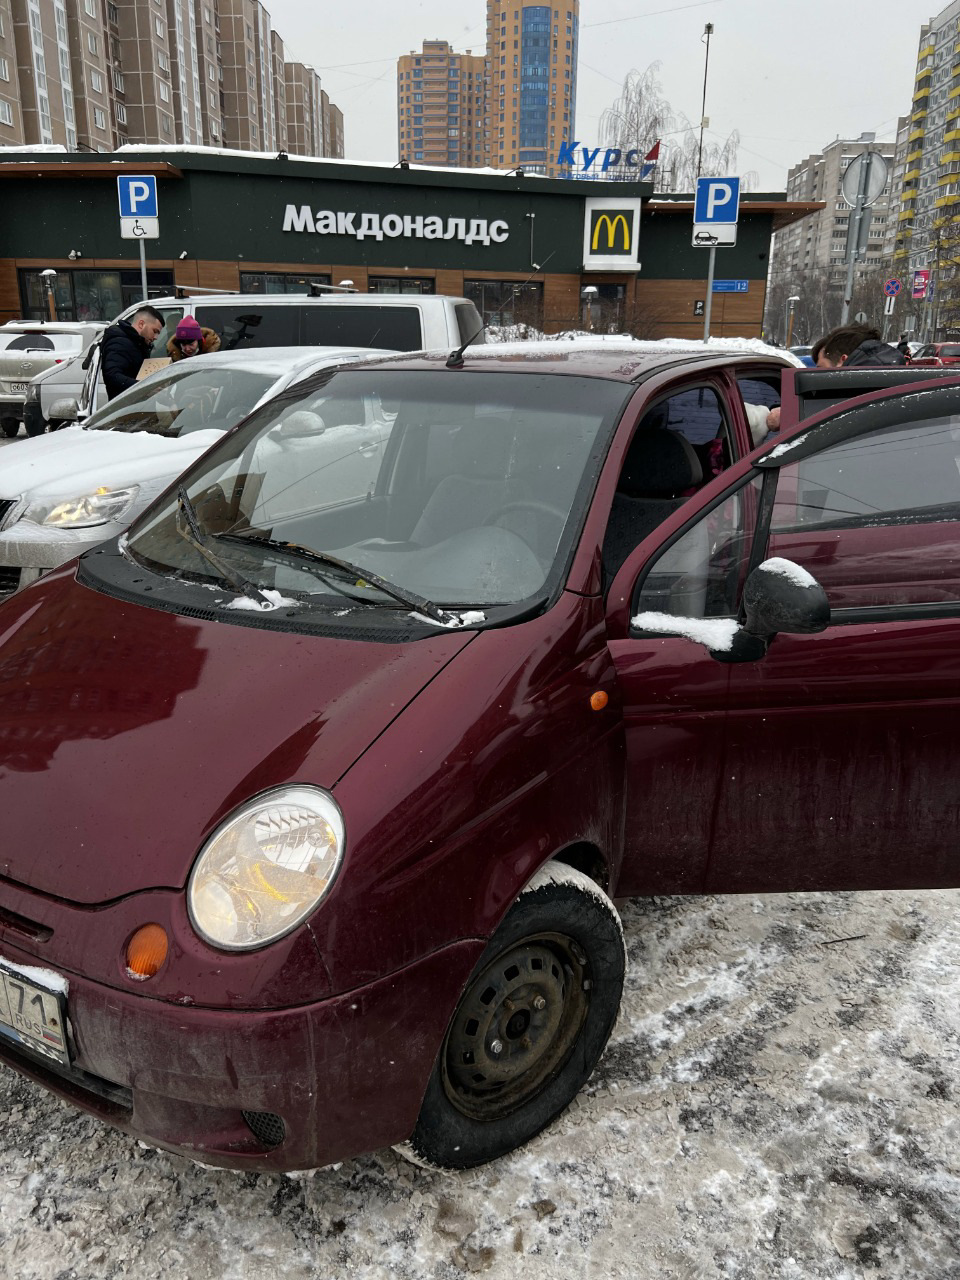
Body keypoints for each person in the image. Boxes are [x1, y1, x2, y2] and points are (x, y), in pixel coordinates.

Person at [100, 305, 164, 399]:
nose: (156, 337)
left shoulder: (137, 343)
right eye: (155, 331)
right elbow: (112, 376)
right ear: (141, 324)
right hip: (124, 406)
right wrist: (144, 387)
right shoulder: (120, 342)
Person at [813, 323, 906, 369]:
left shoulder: (848, 395)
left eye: (820, 370)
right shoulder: (907, 382)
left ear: (843, 359)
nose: (815, 376)